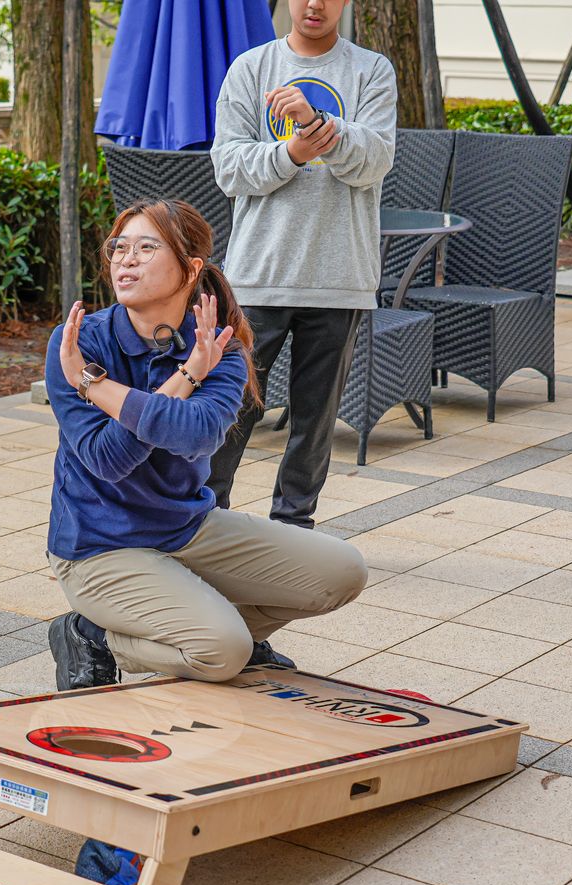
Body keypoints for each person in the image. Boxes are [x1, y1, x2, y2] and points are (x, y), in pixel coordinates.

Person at [45, 198, 368, 691]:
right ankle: (93, 636)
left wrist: (98, 388)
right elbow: (108, 460)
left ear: (190, 267)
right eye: (119, 247)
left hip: (188, 527)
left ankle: (197, 619)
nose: (125, 259)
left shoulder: (223, 346)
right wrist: (186, 377)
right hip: (99, 546)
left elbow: (197, 434)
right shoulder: (78, 342)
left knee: (343, 572)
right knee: (223, 653)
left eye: (146, 247)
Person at [206, 0, 398, 529]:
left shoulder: (371, 70)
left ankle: (294, 528)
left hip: (340, 278)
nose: (316, 4)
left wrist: (318, 125)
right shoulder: (251, 68)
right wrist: (291, 152)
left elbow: (376, 160)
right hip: (258, 276)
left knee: (315, 419)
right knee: (232, 408)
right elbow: (228, 168)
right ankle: (204, 521)